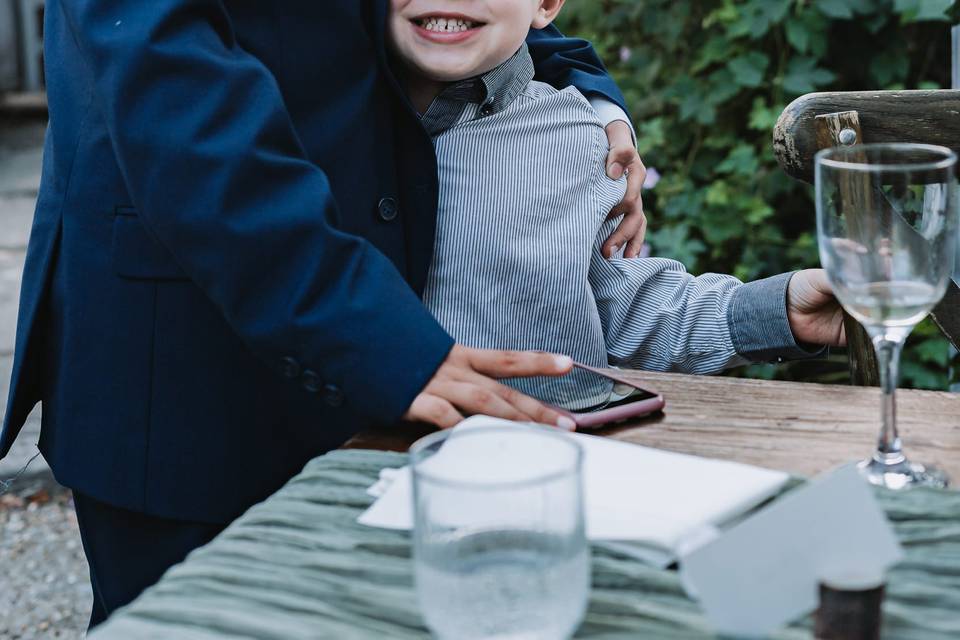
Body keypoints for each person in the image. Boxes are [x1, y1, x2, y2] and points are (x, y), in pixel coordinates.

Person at [0, 0, 648, 627]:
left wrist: (595, 98)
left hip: (368, 356)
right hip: (187, 360)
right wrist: (379, 340)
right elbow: (178, 103)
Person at [386, 0, 846, 416]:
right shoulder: (322, 135)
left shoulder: (573, 135)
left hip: (546, 456)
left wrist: (777, 312)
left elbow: (616, 307)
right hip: (356, 460)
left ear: (545, 4)